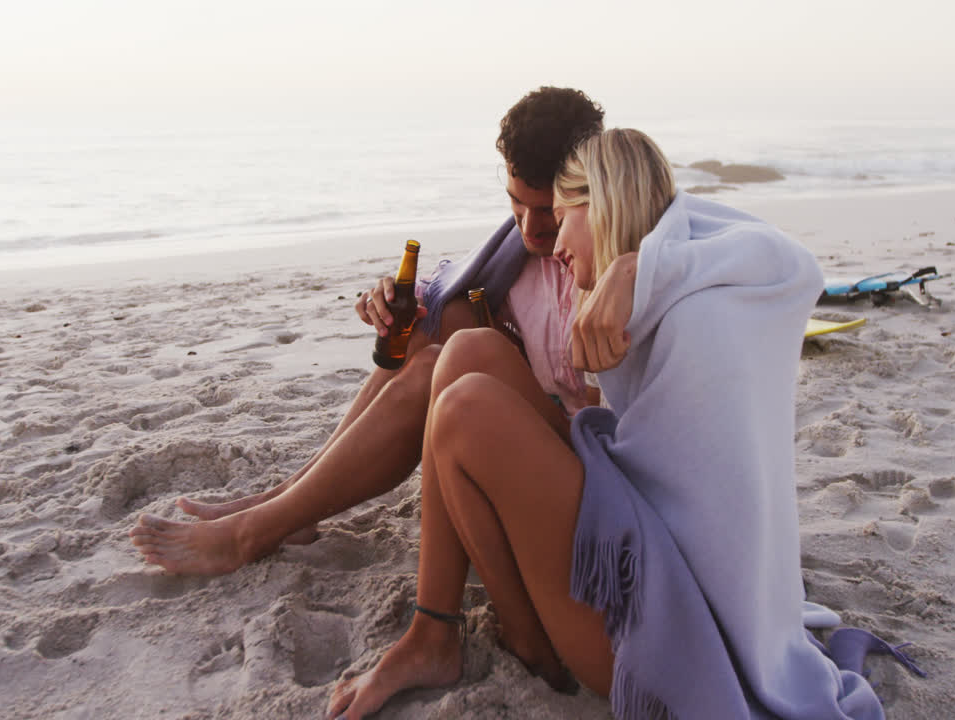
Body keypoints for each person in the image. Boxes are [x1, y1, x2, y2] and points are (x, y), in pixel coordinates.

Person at [326, 129, 915, 719]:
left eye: (561, 217)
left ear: (600, 205)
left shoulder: (698, 310)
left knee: (465, 410)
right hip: (648, 551)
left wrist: (639, 266)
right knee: (465, 354)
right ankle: (448, 635)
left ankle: (497, 645)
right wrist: (639, 268)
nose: (553, 245)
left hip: (666, 634)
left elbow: (797, 263)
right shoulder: (676, 288)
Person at [128, 87, 616, 575]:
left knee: (433, 369)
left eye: (547, 210)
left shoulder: (615, 253)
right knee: (434, 324)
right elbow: (452, 285)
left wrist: (635, 268)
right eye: (515, 204)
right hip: (550, 430)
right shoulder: (517, 254)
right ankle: (289, 503)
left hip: (591, 469)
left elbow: (691, 236)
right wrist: (388, 298)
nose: (528, 229)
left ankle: (254, 531)